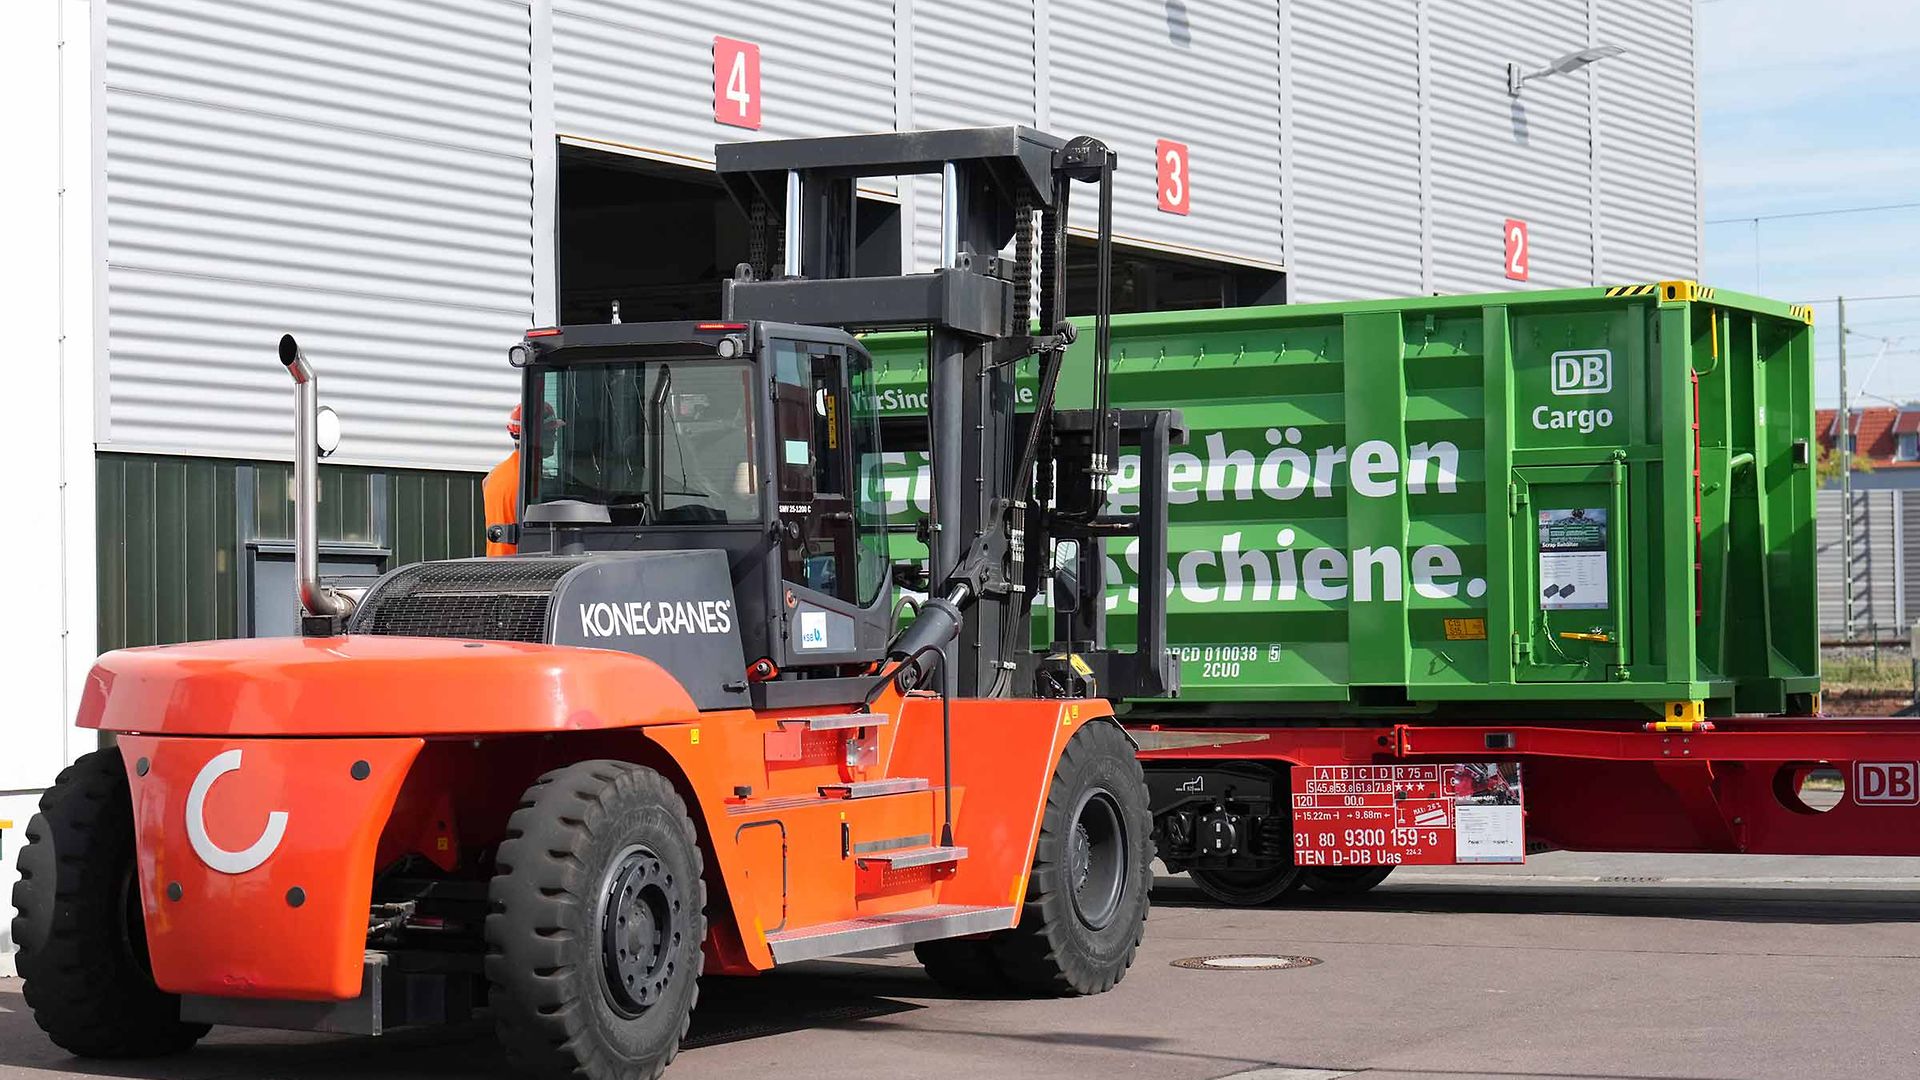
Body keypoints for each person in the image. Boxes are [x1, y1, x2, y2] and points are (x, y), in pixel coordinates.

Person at [482, 406, 525, 556]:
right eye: (552, 431)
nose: (555, 437)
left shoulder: (492, 477)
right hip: (525, 570)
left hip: (497, 569)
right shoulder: (532, 480)